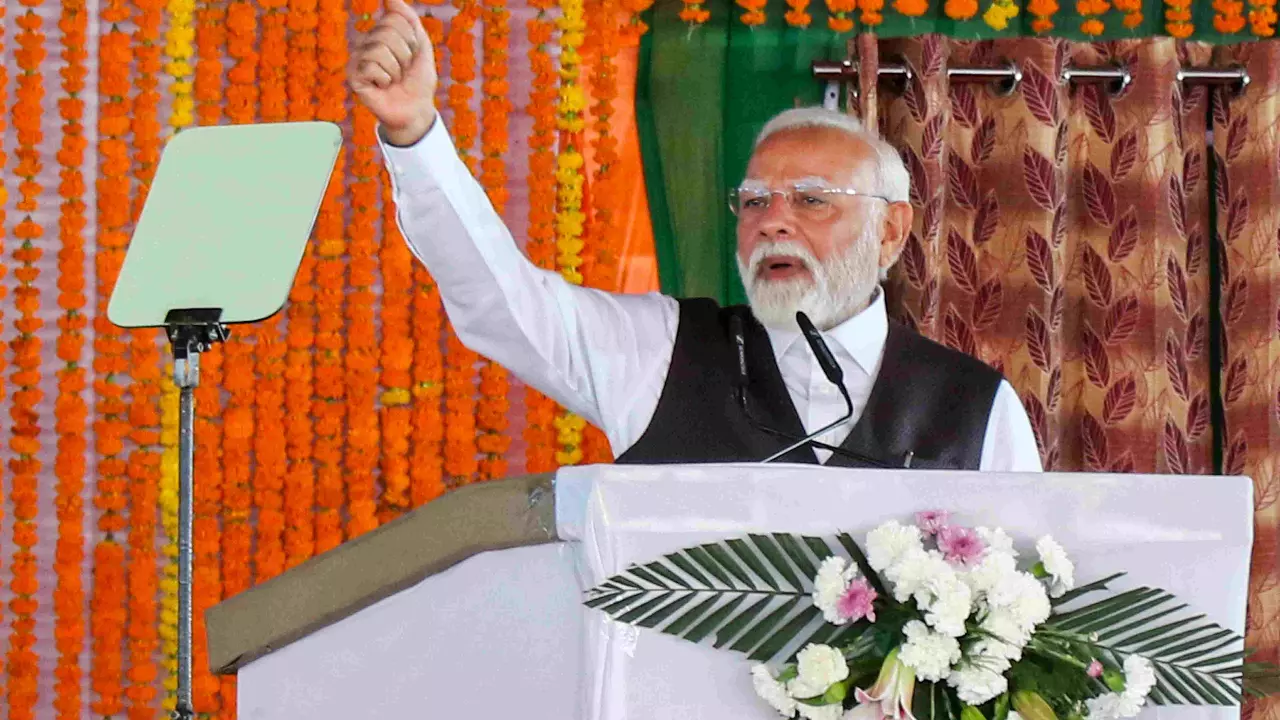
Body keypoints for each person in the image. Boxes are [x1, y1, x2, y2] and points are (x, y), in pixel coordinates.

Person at [348, 0, 1042, 471]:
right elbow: (501, 300)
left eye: (810, 200)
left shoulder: (977, 408)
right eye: (754, 201)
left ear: (890, 231)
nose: (773, 220)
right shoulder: (660, 351)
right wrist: (415, 135)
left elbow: (1023, 615)